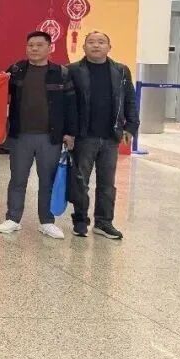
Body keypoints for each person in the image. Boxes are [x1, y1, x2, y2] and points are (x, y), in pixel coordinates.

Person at [0, 31, 77, 239]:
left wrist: (70, 133)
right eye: (30, 45)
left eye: (39, 45)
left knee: (47, 181)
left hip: (50, 137)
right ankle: (13, 218)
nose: (34, 49)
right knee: (17, 179)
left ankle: (47, 221)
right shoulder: (16, 70)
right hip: (20, 136)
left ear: (50, 48)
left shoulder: (61, 73)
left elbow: (71, 105)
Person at [69, 31, 138, 239]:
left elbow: (130, 100)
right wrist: (68, 132)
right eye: (91, 42)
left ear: (109, 47)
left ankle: (104, 222)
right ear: (84, 47)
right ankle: (80, 221)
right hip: (84, 136)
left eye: (101, 42)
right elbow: (67, 104)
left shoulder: (121, 71)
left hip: (110, 136)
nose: (96, 45)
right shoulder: (72, 70)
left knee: (107, 183)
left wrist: (131, 126)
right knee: (80, 181)